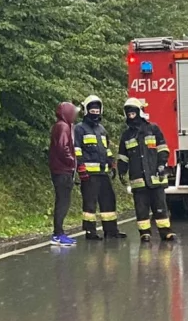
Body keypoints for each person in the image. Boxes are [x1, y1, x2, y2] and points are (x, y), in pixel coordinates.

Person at [117, 97, 177, 242]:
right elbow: (123, 156)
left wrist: (162, 164)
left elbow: (163, 149)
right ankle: (145, 233)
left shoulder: (153, 129)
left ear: (139, 112)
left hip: (155, 176)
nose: (131, 115)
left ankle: (166, 232)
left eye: (133, 112)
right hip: (138, 180)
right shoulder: (127, 135)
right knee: (141, 208)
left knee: (160, 206)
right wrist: (121, 171)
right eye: (129, 113)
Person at [74, 95, 126, 240]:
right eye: (92, 110)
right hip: (89, 174)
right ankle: (90, 232)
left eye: (97, 110)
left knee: (109, 200)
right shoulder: (79, 129)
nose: (95, 112)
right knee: (90, 204)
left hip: (103, 173)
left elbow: (106, 148)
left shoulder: (101, 129)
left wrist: (112, 162)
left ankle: (111, 231)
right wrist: (81, 167)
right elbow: (76, 149)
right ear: (86, 110)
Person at [48, 101, 78, 247]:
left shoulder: (62, 126)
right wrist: (73, 162)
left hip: (60, 170)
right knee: (62, 202)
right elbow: (63, 147)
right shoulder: (63, 126)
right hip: (62, 171)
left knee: (62, 201)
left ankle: (59, 233)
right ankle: (58, 234)